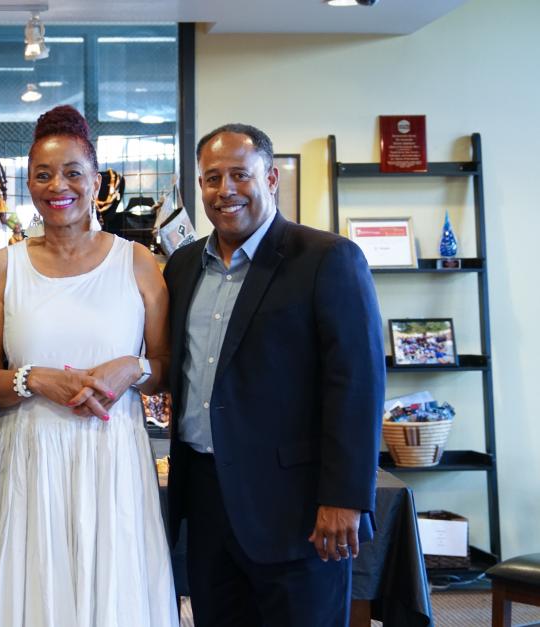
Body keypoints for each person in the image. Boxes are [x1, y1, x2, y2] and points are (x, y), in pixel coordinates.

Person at [0, 105, 178, 627]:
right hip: (28, 459)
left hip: (111, 456)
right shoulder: (3, 268)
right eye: (43, 174)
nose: (58, 186)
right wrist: (32, 378)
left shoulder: (137, 262)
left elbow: (166, 366)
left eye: (73, 173)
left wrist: (132, 368)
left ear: (96, 182)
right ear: (29, 184)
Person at [164, 123, 385, 626]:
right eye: (212, 178)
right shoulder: (182, 266)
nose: (225, 190)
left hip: (296, 509)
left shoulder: (327, 258)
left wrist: (344, 498)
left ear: (270, 178)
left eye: (239, 174)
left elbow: (357, 385)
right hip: (205, 500)